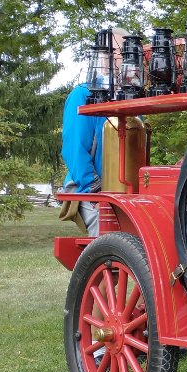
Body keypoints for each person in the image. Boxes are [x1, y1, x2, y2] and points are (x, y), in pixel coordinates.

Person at [61, 28, 128, 237]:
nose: (113, 58)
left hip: (124, 192)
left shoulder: (130, 97)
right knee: (108, 239)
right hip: (90, 190)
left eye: (122, 53)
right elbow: (74, 150)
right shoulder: (82, 95)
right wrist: (96, 192)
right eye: (109, 52)